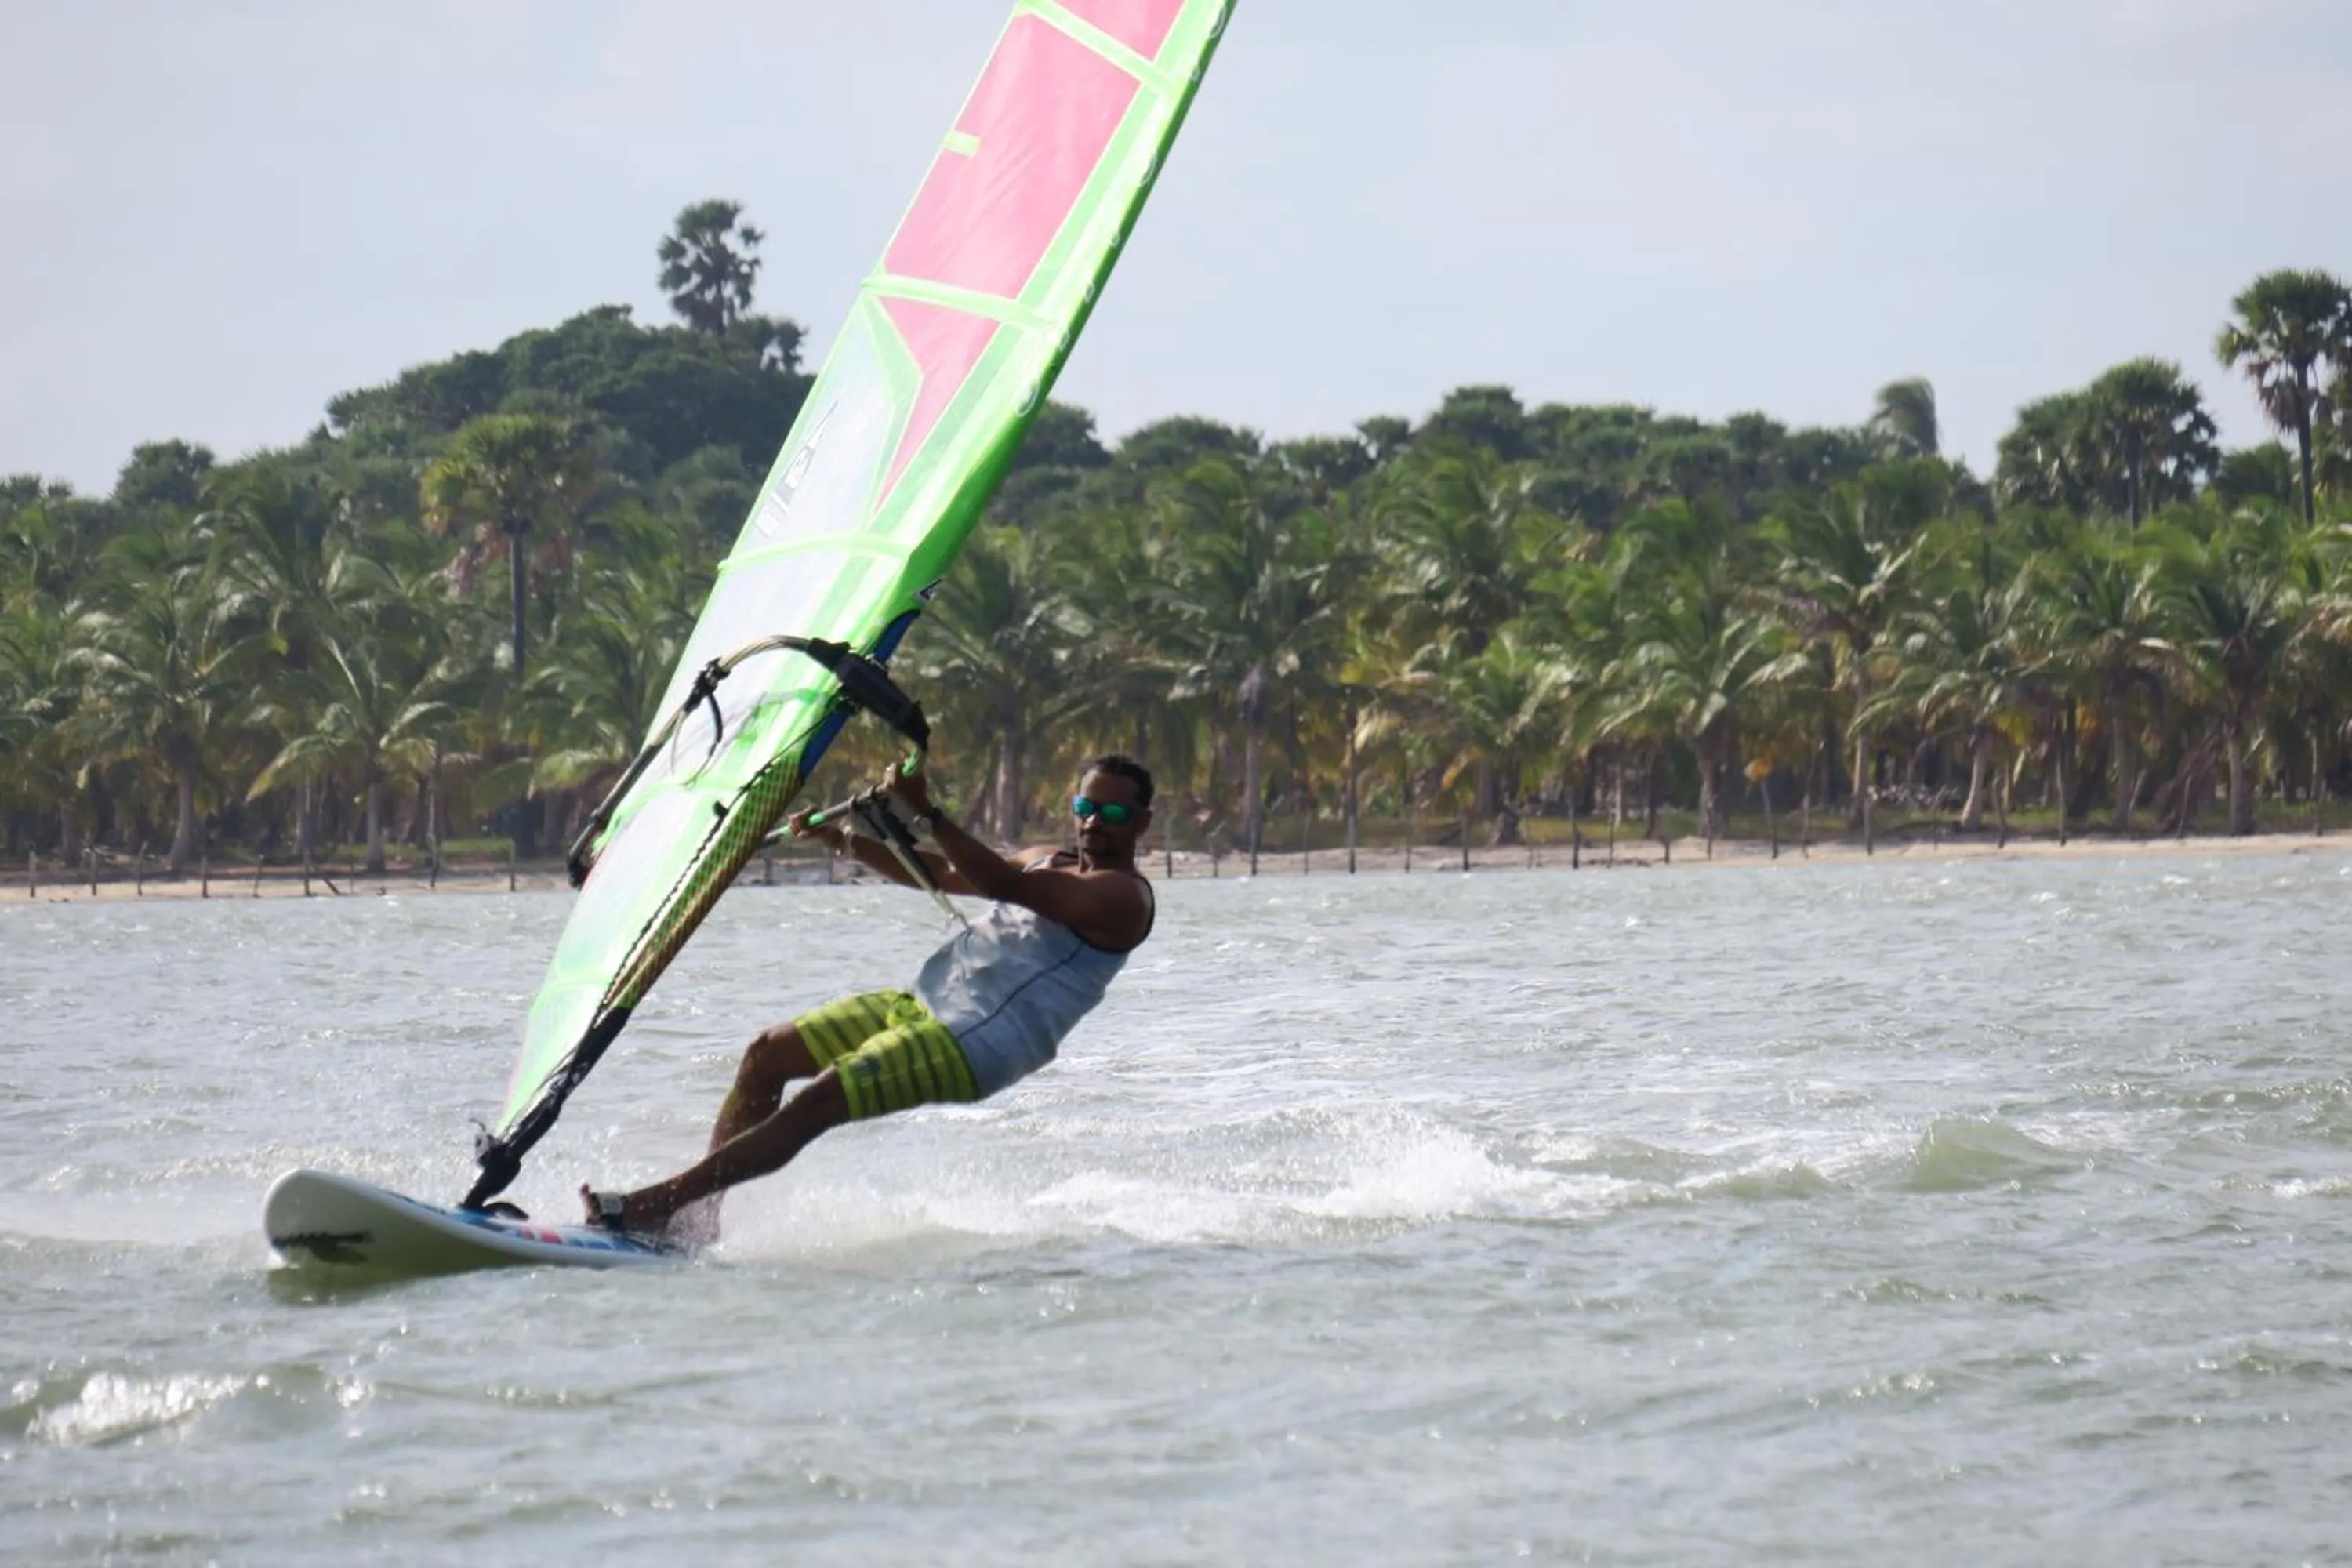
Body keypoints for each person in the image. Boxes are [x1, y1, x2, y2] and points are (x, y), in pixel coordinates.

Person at [581, 754, 1157, 1242]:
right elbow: (938, 871)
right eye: (1085, 808)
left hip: (975, 1042)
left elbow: (1003, 886)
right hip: (923, 1005)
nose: (1093, 824)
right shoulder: (1046, 857)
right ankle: (699, 1221)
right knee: (767, 1055)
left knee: (826, 1094)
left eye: (1111, 814)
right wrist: (845, 841)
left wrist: (927, 811)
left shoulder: (1122, 899)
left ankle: (656, 1207)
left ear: (1141, 823)